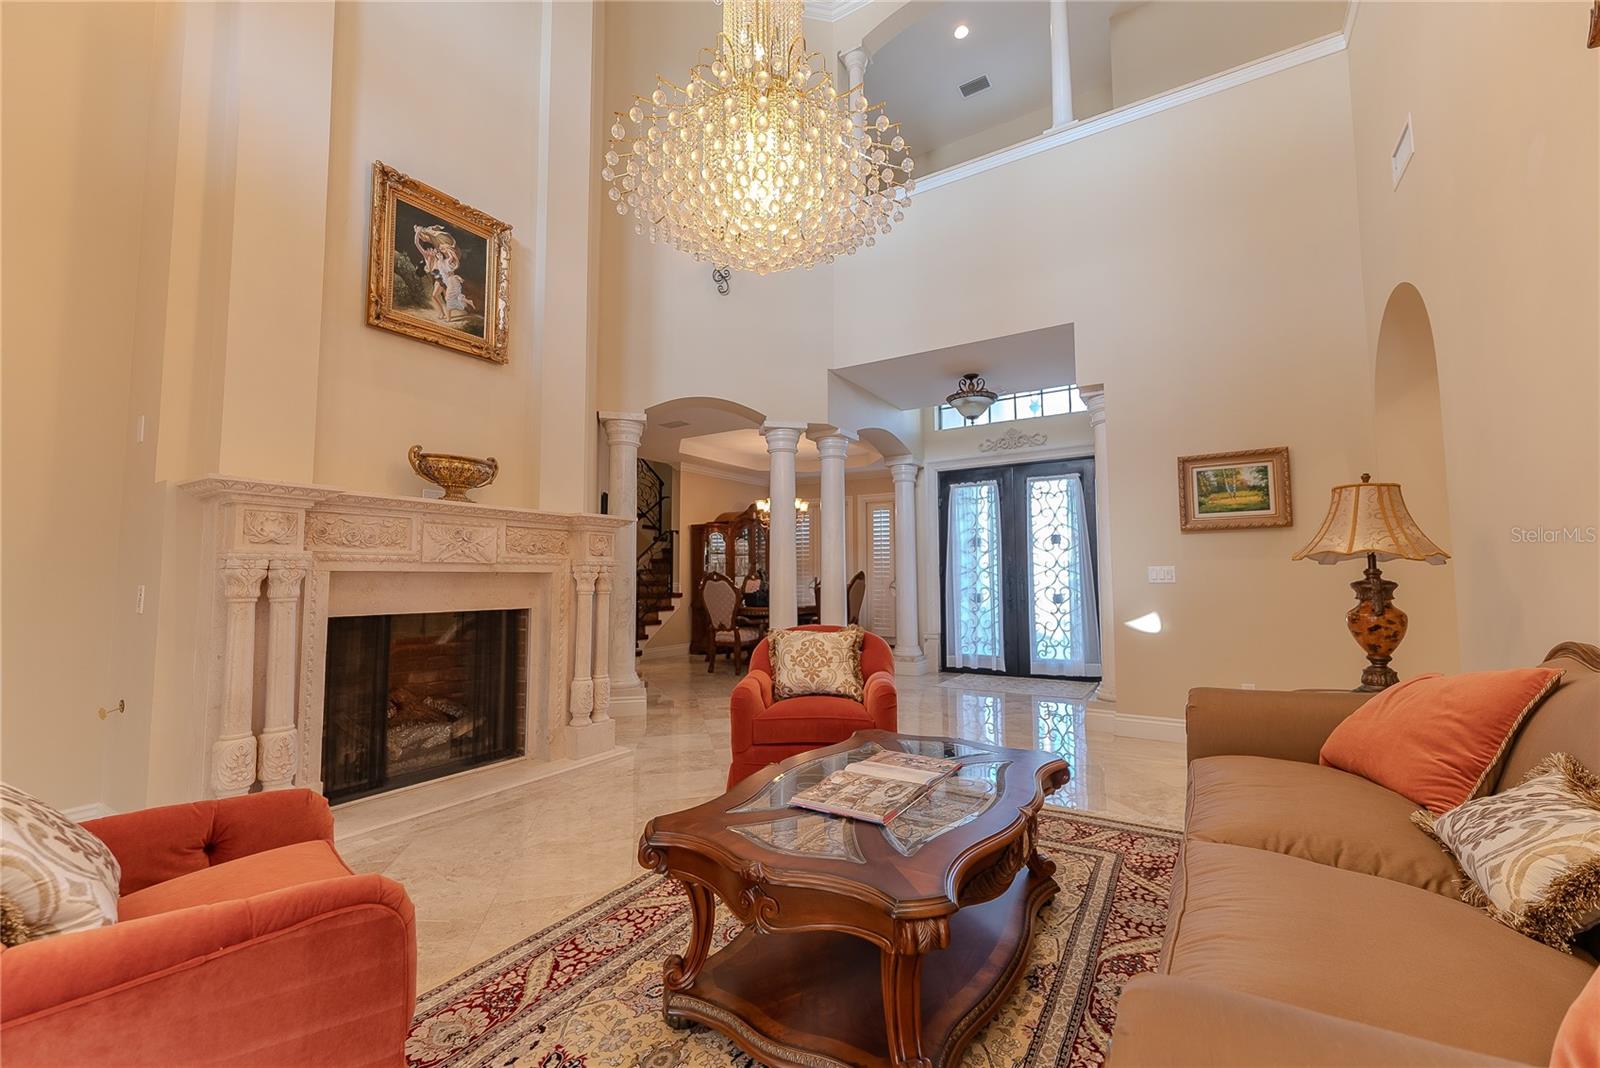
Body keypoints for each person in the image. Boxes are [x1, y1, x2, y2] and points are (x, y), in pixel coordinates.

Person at [412, 224, 477, 323]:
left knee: (439, 296)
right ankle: (458, 306)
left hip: (442, 278)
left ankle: (446, 315)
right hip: (438, 278)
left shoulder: (438, 256)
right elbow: (417, 243)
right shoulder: (427, 256)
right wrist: (417, 233)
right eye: (429, 250)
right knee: (447, 297)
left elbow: (446, 262)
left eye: (432, 249)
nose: (431, 251)